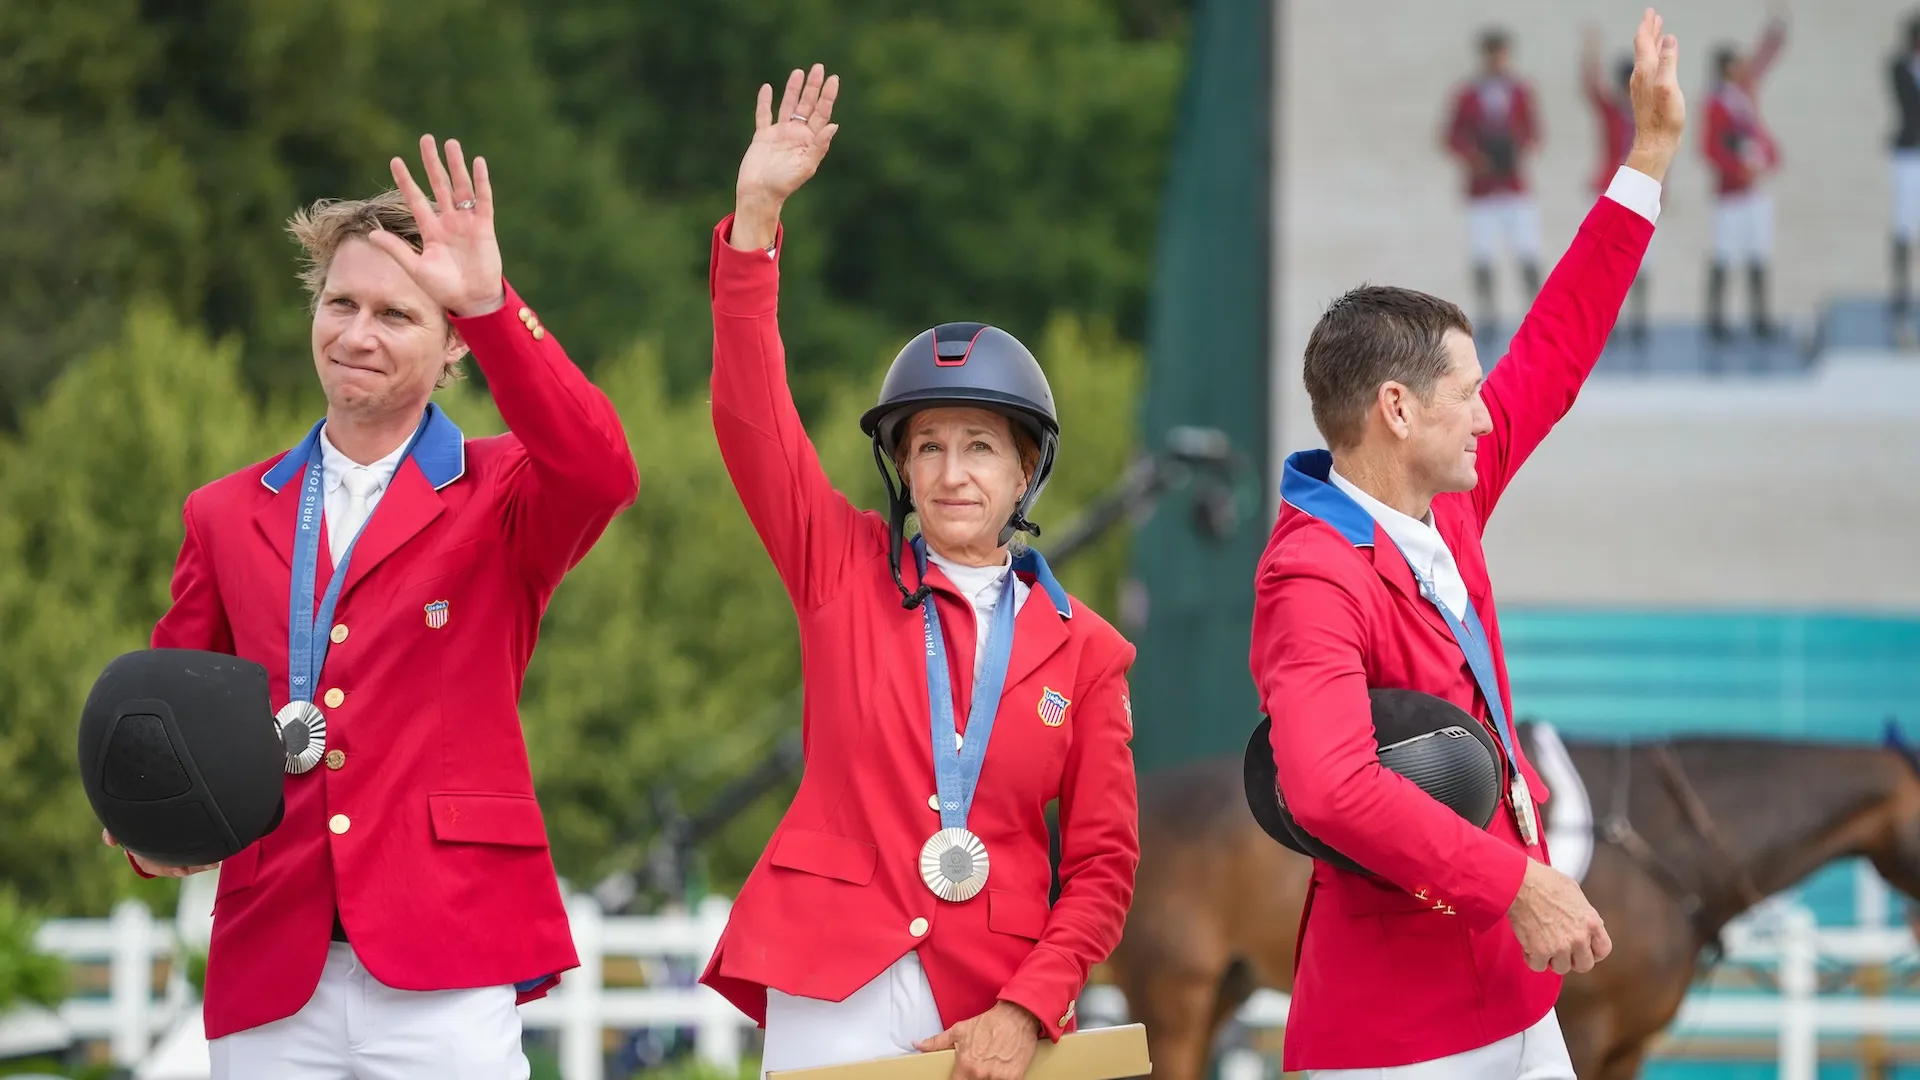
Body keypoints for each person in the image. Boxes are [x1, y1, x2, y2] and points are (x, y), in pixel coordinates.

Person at [104, 135, 641, 1078]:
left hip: (446, 955)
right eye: (340, 304)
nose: (357, 333)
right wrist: (154, 826)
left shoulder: (504, 491)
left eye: (396, 314)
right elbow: (178, 705)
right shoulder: (224, 515)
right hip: (274, 962)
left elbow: (602, 467)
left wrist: (491, 303)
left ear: (449, 353)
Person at [1249, 9, 1683, 1078]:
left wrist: (1649, 160)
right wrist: (1519, 882)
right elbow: (1329, 789)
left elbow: (1559, 345)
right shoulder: (1308, 574)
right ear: (1397, 409)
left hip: (1514, 999)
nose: (1490, 415)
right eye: (1467, 395)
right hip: (1395, 1036)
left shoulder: (1446, 500)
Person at [696, 64, 1140, 1080]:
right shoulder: (837, 564)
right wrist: (756, 220)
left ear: (1027, 469)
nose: (951, 473)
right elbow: (750, 420)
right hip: (833, 973)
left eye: (980, 447)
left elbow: (1105, 867)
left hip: (992, 998)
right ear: (901, 467)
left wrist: (1028, 1010)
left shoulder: (1092, 654)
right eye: (927, 446)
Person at [1443, 28, 1542, 339]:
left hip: (1513, 185)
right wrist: (1475, 157)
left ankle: (1537, 312)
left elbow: (1533, 131)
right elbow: (1452, 136)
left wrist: (1518, 149)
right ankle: (1488, 314)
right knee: (1482, 253)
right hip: (1482, 188)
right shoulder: (1467, 95)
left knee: (1528, 249)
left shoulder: (1521, 93)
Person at [1702, 9, 1788, 341]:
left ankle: (1760, 318)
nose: (1742, 69)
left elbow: (1762, 62)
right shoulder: (1714, 103)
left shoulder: (1745, 91)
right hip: (1730, 193)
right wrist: (1739, 169)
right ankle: (1716, 321)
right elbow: (1710, 148)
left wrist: (1774, 32)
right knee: (1724, 255)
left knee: (1759, 252)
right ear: (1725, 69)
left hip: (1755, 190)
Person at [1585, 24, 1653, 346]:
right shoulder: (1613, 111)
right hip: (1611, 190)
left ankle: (1639, 320)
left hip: (1638, 191)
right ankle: (1607, 323)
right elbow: (1590, 88)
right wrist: (1592, 51)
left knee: (1641, 262)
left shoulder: (1646, 115)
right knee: (1604, 263)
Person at [1889, 13, 1920, 340]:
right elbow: (1908, 107)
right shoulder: (1899, 67)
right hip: (1910, 154)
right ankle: (1901, 291)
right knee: (1904, 223)